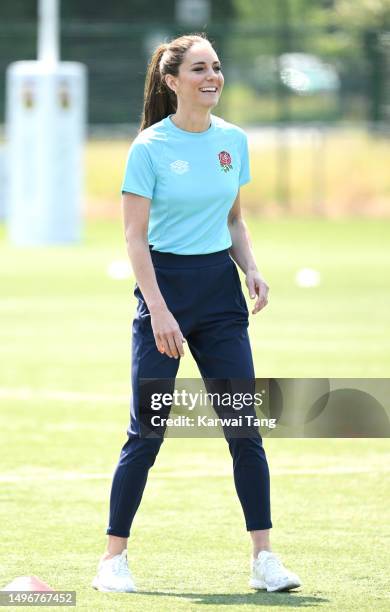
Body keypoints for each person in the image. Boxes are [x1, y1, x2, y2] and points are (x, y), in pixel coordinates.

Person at [92, 32, 301, 594]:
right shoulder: (149, 148)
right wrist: (159, 311)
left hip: (220, 295)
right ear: (172, 81)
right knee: (149, 430)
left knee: (244, 428)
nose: (212, 77)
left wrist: (250, 266)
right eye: (199, 69)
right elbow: (135, 240)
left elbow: (234, 221)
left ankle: (264, 560)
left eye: (217, 66)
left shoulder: (232, 140)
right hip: (165, 292)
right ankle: (113, 560)